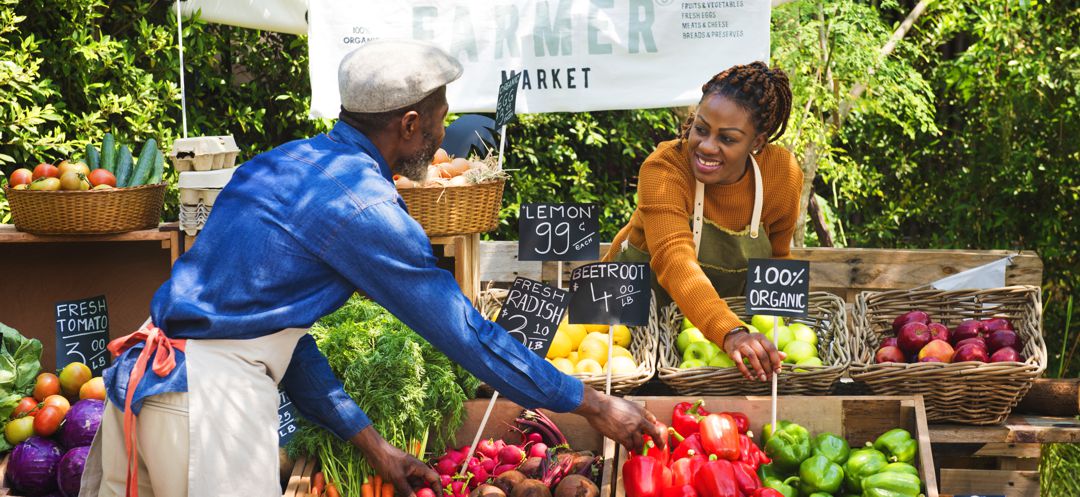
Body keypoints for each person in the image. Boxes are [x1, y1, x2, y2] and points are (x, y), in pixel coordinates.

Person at [81, 40, 662, 497]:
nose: (442, 132)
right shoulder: (367, 208)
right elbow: (469, 337)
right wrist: (593, 403)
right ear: (409, 124)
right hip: (205, 410)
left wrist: (375, 446)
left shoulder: (279, 165)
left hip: (139, 390)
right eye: (439, 118)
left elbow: (281, 342)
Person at [604, 61, 801, 383]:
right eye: (701, 128)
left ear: (757, 142)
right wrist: (732, 331)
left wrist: (783, 339)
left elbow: (777, 259)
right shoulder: (665, 168)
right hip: (624, 326)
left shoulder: (782, 174)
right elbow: (674, 258)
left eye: (728, 138)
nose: (707, 146)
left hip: (706, 337)